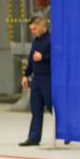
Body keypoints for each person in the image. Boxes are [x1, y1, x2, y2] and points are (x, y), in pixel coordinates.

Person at [19, 16, 51, 146]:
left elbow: (58, 57)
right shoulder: (35, 41)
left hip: (48, 78)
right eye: (31, 29)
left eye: (34, 29)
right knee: (36, 109)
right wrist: (26, 75)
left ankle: (67, 132)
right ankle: (33, 138)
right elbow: (31, 59)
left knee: (52, 108)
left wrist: (43, 57)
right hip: (37, 79)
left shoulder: (51, 40)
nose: (33, 31)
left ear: (42, 25)